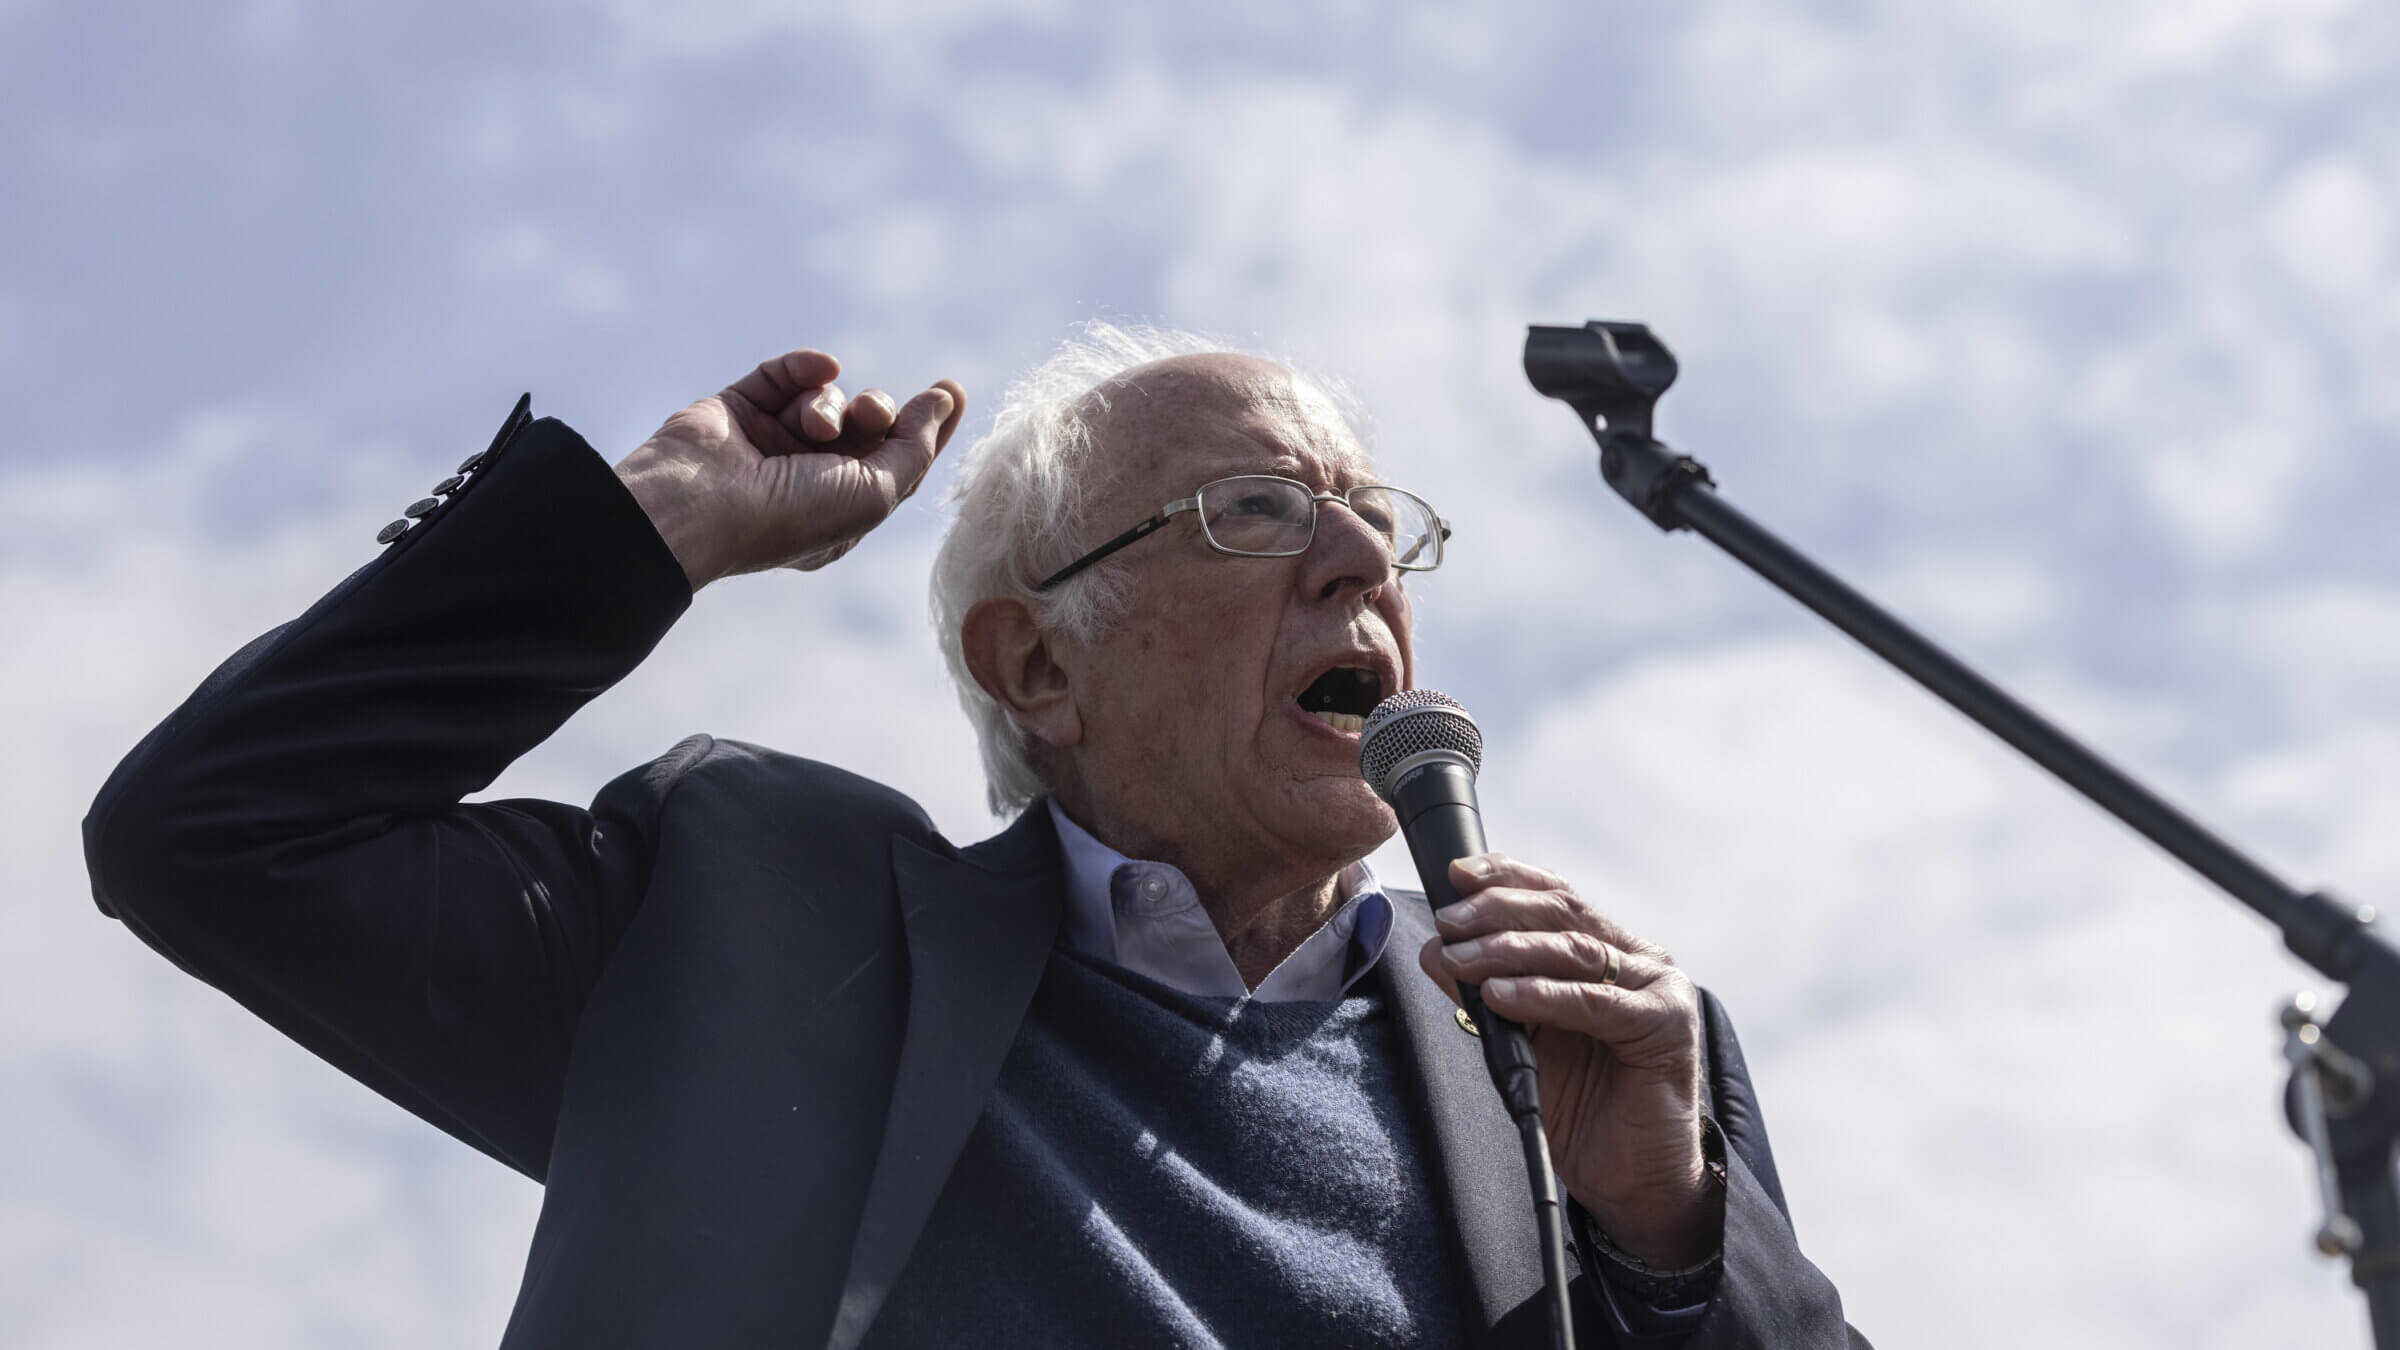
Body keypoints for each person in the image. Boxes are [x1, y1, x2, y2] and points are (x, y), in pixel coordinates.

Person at [84, 325, 1866, 1348]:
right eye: (1255, 509)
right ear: (1040, 666)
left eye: (1379, 523)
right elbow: (218, 831)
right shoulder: (747, 924)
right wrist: (650, 525)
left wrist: (1668, 1232)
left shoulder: (1594, 1057)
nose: (1357, 564)